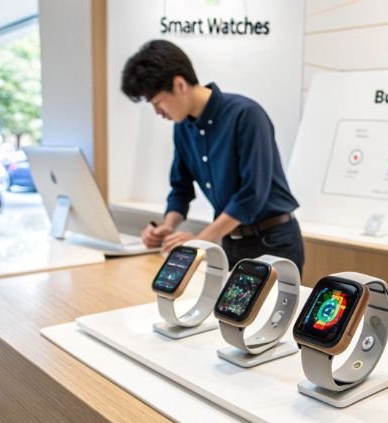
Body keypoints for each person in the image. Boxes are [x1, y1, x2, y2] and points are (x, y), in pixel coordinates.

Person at [121, 40, 305, 273]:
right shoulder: (183, 127)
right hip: (230, 242)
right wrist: (167, 227)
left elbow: (251, 195)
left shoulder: (246, 115)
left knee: (272, 311)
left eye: (157, 103)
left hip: (274, 243)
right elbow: (180, 189)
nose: (157, 112)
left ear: (179, 84)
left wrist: (200, 240)